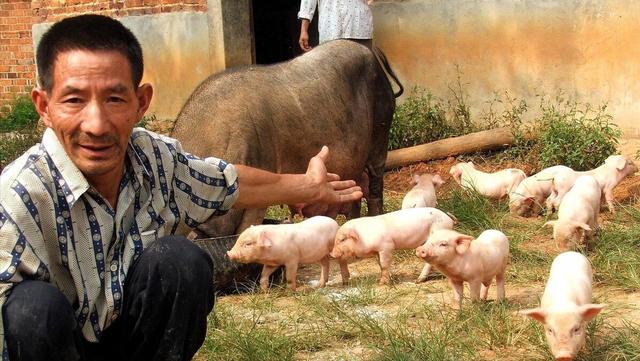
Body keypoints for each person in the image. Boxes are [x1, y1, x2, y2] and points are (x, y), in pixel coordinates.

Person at [0, 14, 362, 361]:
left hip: (131, 345)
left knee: (180, 260)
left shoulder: (154, 160)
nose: (96, 124)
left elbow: (225, 183)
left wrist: (309, 186)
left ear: (141, 102)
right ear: (44, 106)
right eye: (74, 100)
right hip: (55, 349)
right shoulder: (18, 198)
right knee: (31, 309)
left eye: (114, 98)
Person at [298, 0, 374, 52]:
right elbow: (307, 2)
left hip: (359, 29)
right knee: (332, 71)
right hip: (331, 30)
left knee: (362, 71)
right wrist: (304, 30)